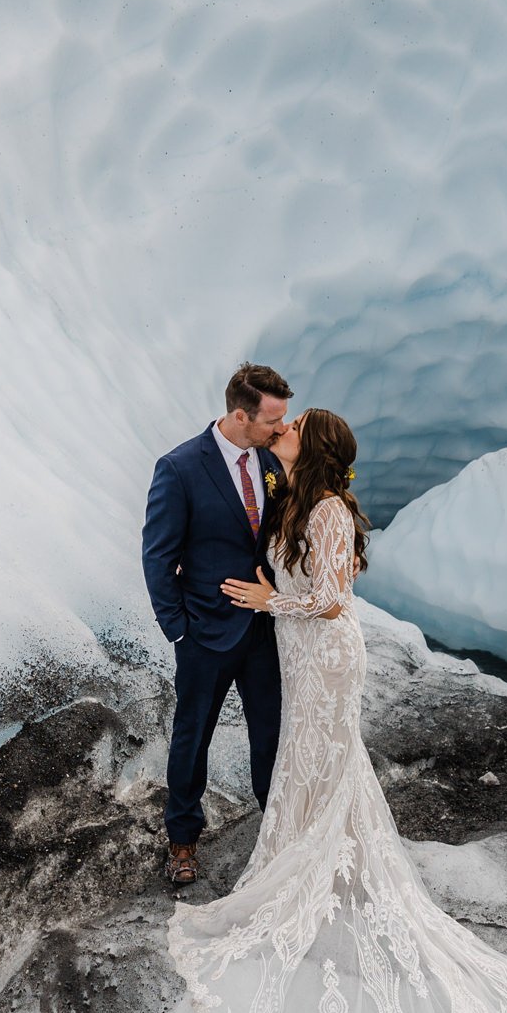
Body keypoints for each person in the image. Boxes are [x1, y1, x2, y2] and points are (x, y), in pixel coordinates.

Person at [167, 406, 507, 1013]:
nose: (285, 426)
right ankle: (309, 858)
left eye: (295, 424)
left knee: (322, 761)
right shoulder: (297, 498)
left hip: (327, 654)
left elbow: (334, 599)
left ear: (311, 446)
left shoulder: (329, 510)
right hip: (301, 654)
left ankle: (314, 871)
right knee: (311, 767)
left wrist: (263, 599)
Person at [141, 363, 294, 887]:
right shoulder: (180, 468)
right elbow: (157, 557)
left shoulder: (271, 462)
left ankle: (278, 833)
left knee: (271, 736)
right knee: (193, 736)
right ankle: (182, 839)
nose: (281, 427)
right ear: (239, 414)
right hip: (204, 633)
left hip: (263, 631)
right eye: (272, 418)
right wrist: (178, 629)